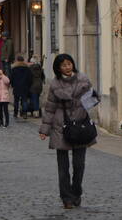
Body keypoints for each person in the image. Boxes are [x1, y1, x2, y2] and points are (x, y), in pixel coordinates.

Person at [37, 53, 97, 209]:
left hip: (80, 125)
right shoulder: (55, 84)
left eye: (69, 64)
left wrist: (91, 98)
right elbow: (49, 109)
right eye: (63, 65)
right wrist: (45, 129)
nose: (67, 67)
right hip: (60, 127)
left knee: (79, 165)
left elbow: (93, 100)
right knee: (63, 168)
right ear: (58, 68)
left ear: (73, 64)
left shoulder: (83, 79)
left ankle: (76, 192)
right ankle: (66, 197)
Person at [8, 56, 32, 121]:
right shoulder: (27, 69)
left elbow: (11, 78)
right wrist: (28, 85)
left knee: (16, 101)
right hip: (25, 87)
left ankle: (15, 113)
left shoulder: (14, 68)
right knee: (24, 100)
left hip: (16, 86)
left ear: (17, 60)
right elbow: (30, 78)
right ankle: (24, 113)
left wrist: (12, 85)